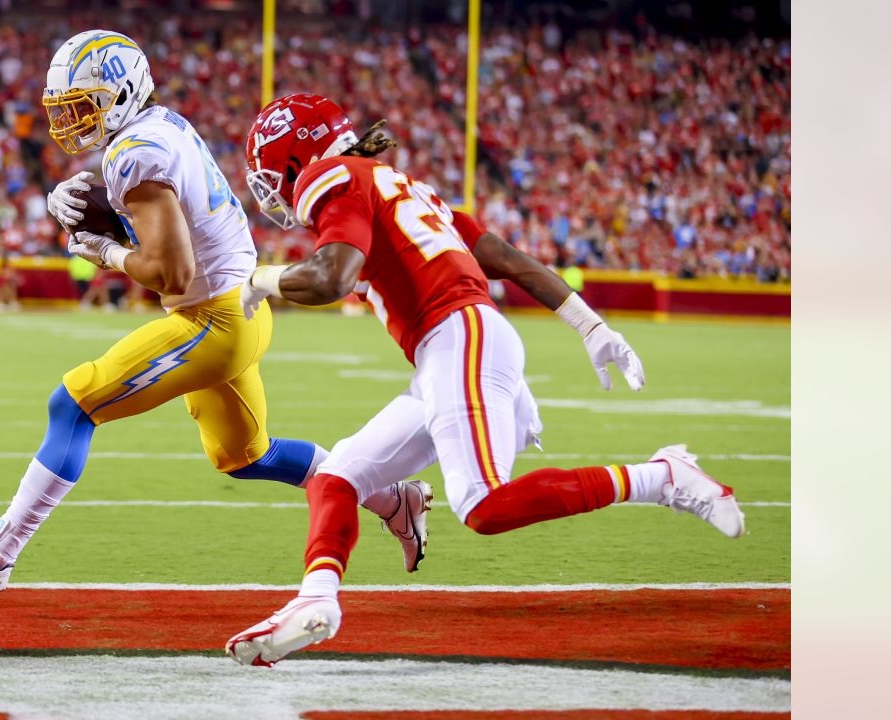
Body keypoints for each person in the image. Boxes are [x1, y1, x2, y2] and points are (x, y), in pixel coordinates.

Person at [225, 94, 746, 666]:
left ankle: (664, 475)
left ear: (297, 156)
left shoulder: (337, 176)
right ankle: (315, 601)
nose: (270, 187)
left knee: (484, 505)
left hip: (458, 337)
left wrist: (261, 279)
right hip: (452, 347)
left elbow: (330, 278)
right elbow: (506, 257)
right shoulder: (399, 183)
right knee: (338, 474)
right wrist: (588, 323)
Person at [0, 34, 428, 596]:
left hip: (212, 321)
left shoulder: (134, 152)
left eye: (83, 104)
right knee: (245, 456)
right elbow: (166, 214)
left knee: (73, 404)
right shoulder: (162, 125)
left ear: (122, 92)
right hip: (242, 311)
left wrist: (105, 250)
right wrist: (97, 205)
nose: (70, 120)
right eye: (64, 108)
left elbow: (172, 272)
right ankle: (389, 497)